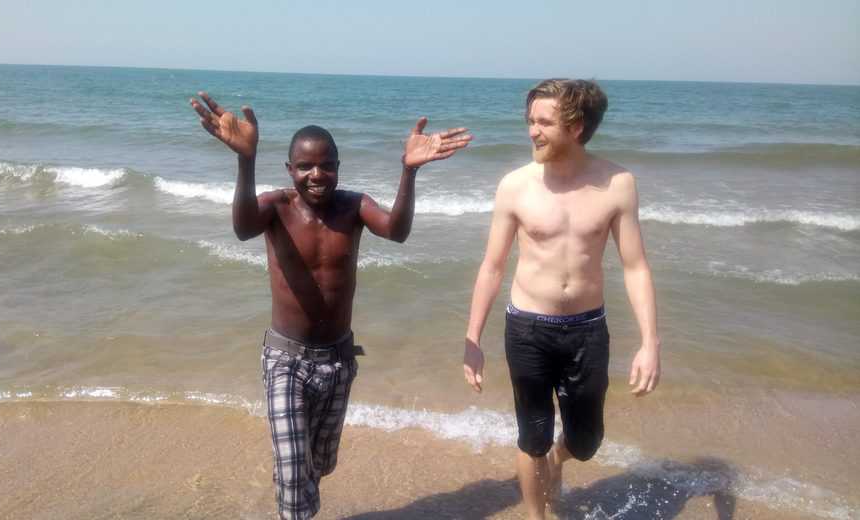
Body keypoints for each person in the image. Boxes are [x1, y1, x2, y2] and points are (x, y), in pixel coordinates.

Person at [190, 92, 471, 520]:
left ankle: (298, 492)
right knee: (292, 472)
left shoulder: (354, 207)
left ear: (339, 167)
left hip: (338, 359)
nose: (316, 174)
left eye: (326, 165)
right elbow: (243, 228)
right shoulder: (275, 207)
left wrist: (409, 171)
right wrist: (246, 161)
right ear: (290, 169)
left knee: (318, 464)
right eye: (305, 166)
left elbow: (396, 231)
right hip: (285, 359)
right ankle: (294, 501)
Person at [462, 79, 661, 519]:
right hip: (527, 328)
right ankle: (537, 514)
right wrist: (472, 339)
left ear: (576, 127)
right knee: (532, 437)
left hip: (587, 330)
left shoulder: (618, 184)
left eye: (544, 122)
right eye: (530, 121)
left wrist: (650, 343)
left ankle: (558, 458)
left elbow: (635, 267)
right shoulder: (515, 186)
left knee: (587, 442)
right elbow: (492, 266)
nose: (532, 131)